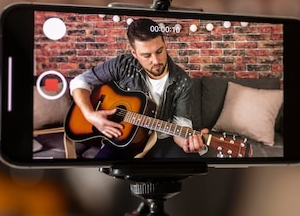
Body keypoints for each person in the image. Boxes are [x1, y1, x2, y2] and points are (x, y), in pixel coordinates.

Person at [69, 18, 207, 159]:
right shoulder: (123, 65)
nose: (156, 61)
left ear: (165, 44)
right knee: (99, 173)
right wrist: (89, 114)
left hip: (160, 139)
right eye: (146, 55)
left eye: (159, 51)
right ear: (134, 53)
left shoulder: (183, 81)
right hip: (121, 136)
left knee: (191, 165)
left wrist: (188, 142)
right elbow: (80, 81)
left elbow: (181, 124)